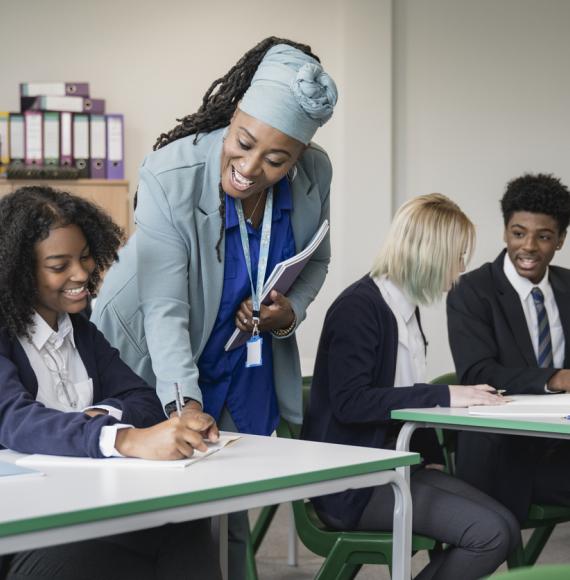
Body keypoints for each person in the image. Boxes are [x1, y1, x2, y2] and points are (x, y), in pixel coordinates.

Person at [91, 37, 337, 578]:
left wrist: (287, 310)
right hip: (144, 352)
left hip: (235, 355)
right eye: (242, 142)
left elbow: (316, 259)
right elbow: (164, 308)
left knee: (226, 500)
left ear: (296, 158)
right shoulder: (170, 173)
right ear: (233, 116)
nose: (250, 167)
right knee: (147, 511)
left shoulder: (315, 174)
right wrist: (182, 404)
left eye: (276, 159)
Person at [0, 186, 221, 580]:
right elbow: (16, 420)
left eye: (84, 257)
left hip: (87, 504)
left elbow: (142, 399)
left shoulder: (83, 333)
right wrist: (123, 438)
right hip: (27, 529)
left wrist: (97, 415)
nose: (81, 274)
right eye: (59, 265)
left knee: (186, 524)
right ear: (20, 271)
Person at [302, 194, 520, 580]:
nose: (460, 270)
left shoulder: (406, 309)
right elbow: (351, 403)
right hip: (352, 483)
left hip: (396, 466)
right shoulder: (360, 309)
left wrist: (429, 453)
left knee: (507, 525)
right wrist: (447, 394)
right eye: (456, 257)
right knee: (489, 534)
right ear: (430, 255)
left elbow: (405, 392)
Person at [447, 173, 570, 523]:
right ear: (505, 232)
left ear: (560, 240)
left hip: (562, 446)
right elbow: (477, 373)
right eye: (518, 233)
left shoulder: (568, 287)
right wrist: (557, 378)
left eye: (544, 236)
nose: (528, 246)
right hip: (505, 452)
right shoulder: (472, 291)